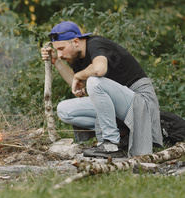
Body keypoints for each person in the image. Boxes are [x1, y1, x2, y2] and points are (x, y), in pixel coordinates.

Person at [41, 21, 163, 158]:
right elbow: (74, 82)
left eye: (61, 49)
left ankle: (111, 144)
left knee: (94, 81)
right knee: (64, 110)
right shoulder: (77, 57)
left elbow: (99, 70)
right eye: (57, 50)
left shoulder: (95, 44)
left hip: (141, 102)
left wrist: (79, 75)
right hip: (121, 105)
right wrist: (56, 61)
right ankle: (121, 133)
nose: (60, 54)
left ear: (75, 42)